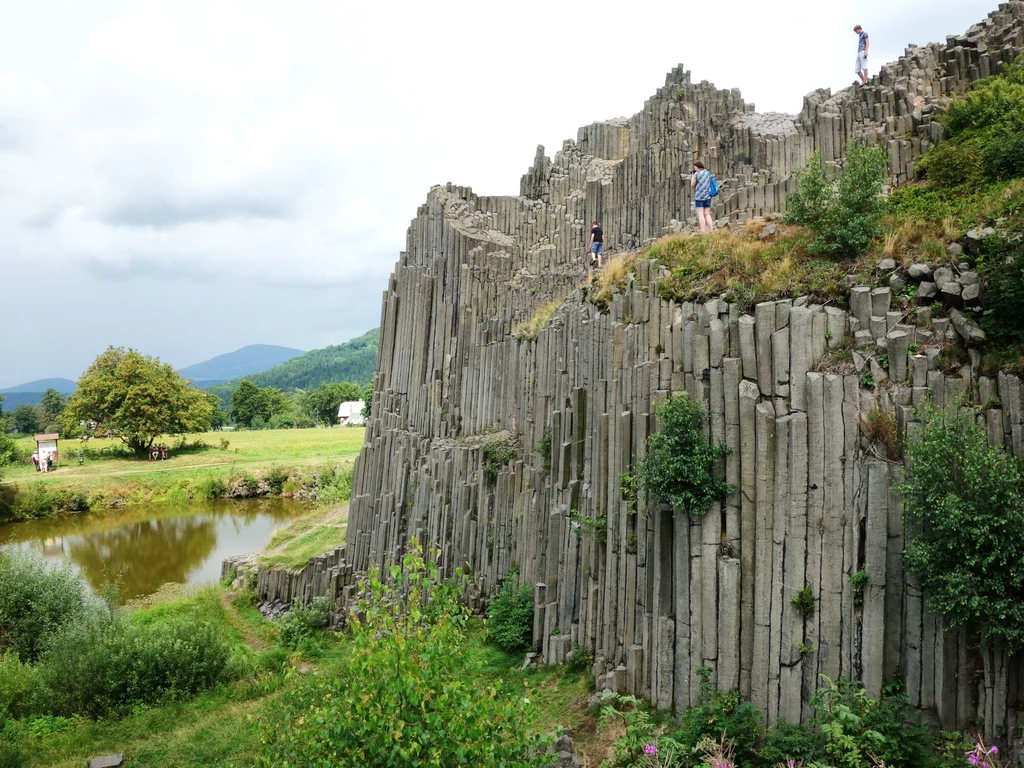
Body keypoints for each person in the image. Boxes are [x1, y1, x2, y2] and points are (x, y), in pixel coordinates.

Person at [691, 161, 714, 233]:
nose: (694, 169)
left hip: (699, 197)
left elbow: (692, 185)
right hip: (707, 197)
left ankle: (703, 231)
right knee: (707, 214)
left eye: (695, 167)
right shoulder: (708, 173)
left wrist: (693, 176)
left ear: (697, 167)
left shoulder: (696, 174)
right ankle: (711, 230)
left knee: (701, 215)